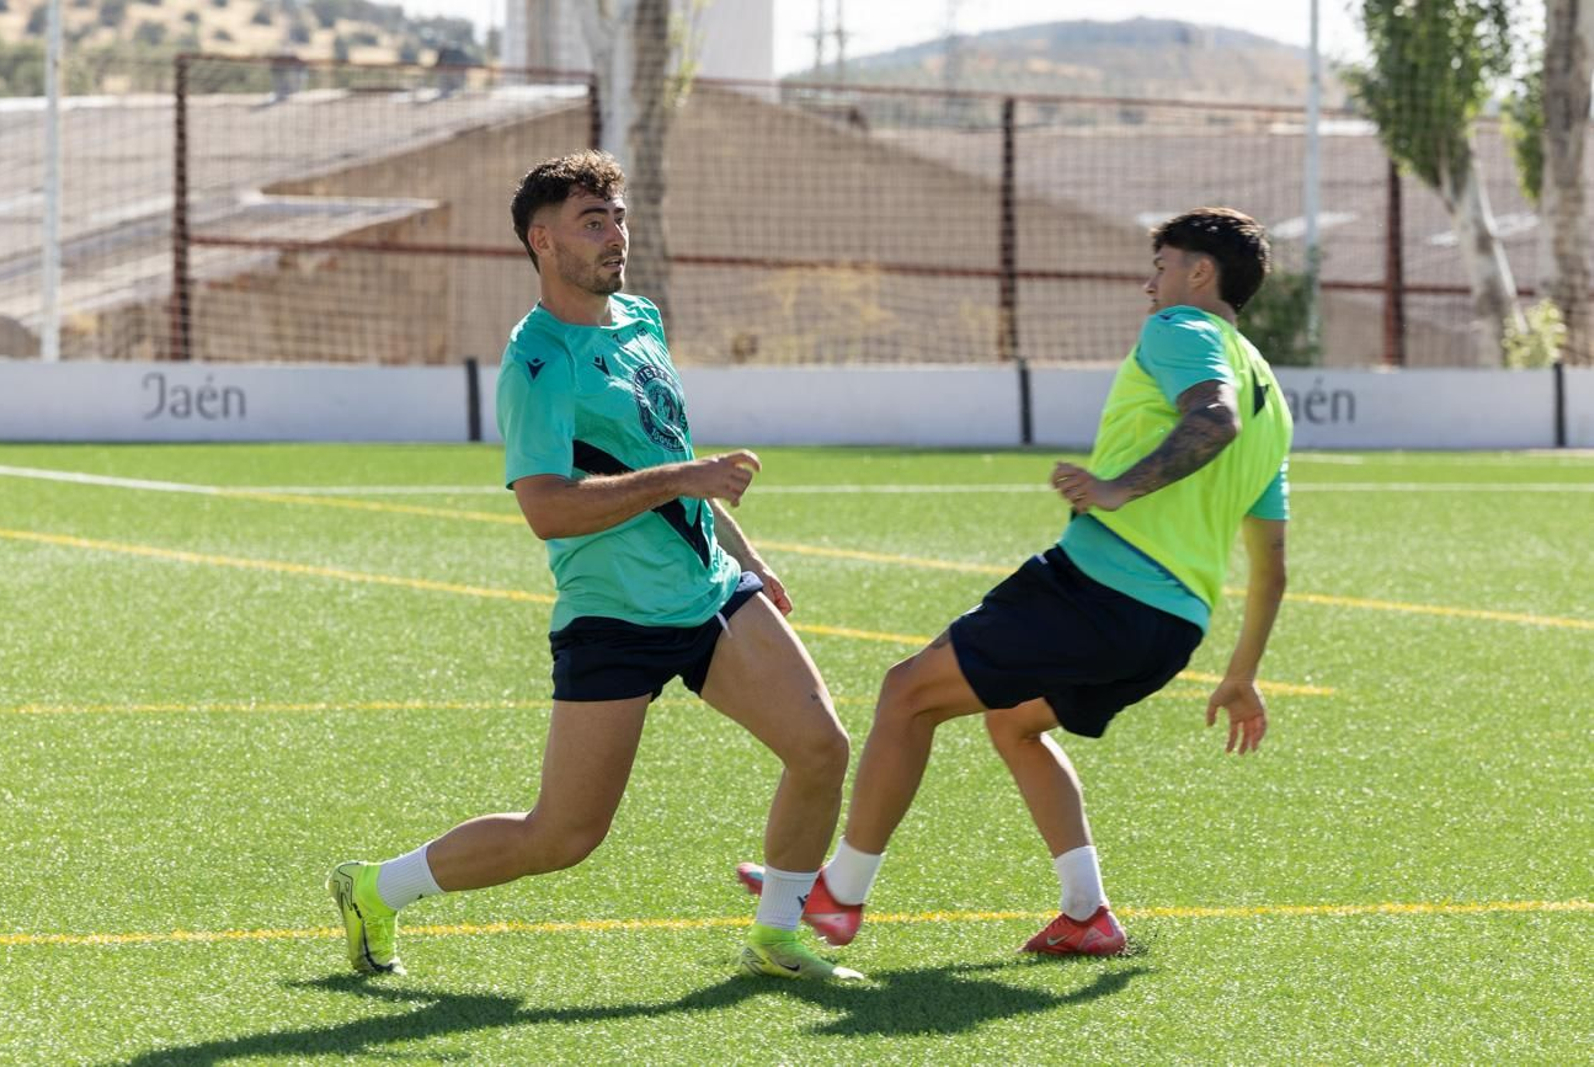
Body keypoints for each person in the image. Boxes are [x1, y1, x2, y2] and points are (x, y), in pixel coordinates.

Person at [329, 150, 859, 982]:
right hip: (614, 614)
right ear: (542, 241)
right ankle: (375, 887)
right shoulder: (538, 363)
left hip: (711, 594)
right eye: (591, 221)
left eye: (617, 217)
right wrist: (681, 480)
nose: (615, 235)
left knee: (822, 746)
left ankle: (776, 935)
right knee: (563, 836)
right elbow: (546, 506)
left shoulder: (640, 317)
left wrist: (745, 554)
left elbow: (663, 451)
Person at [739, 206, 1292, 956]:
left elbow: (1213, 418)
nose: (1150, 285)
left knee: (906, 694)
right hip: (1171, 630)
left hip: (1099, 589)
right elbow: (1272, 563)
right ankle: (1087, 913)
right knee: (1014, 722)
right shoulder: (1274, 397)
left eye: (1161, 267)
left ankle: (840, 893)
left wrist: (1118, 487)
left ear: (1200, 273)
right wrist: (1242, 673)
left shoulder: (1181, 328)